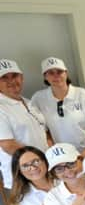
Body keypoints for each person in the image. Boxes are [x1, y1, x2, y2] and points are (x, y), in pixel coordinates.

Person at [31, 57, 85, 158]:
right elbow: (42, 130)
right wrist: (55, 153)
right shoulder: (38, 98)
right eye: (51, 73)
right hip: (62, 158)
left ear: (66, 73)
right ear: (45, 77)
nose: (56, 76)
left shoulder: (82, 94)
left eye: (59, 72)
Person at [0, 59, 51, 189]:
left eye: (14, 76)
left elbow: (44, 133)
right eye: (4, 78)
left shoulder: (29, 103)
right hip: (23, 175)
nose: (11, 81)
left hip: (44, 170)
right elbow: (8, 145)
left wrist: (52, 157)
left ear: (22, 78)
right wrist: (38, 161)